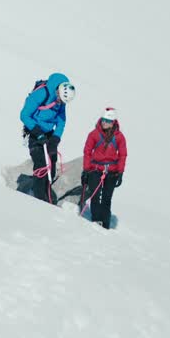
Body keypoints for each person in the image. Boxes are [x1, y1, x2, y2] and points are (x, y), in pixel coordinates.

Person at [19, 72, 75, 203]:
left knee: (52, 162)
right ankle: (39, 198)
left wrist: (56, 138)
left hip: (49, 134)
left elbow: (61, 121)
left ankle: (47, 192)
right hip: (34, 131)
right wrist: (38, 132)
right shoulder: (41, 94)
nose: (61, 103)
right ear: (58, 91)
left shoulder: (62, 100)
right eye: (61, 99)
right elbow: (24, 115)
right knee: (41, 165)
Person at [81, 107, 127, 229]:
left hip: (112, 172)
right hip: (95, 170)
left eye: (107, 121)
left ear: (113, 123)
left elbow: (122, 155)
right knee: (95, 197)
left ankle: (105, 223)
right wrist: (86, 170)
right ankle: (96, 220)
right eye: (103, 120)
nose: (104, 122)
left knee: (107, 198)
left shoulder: (119, 137)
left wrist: (120, 172)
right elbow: (87, 152)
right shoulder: (94, 134)